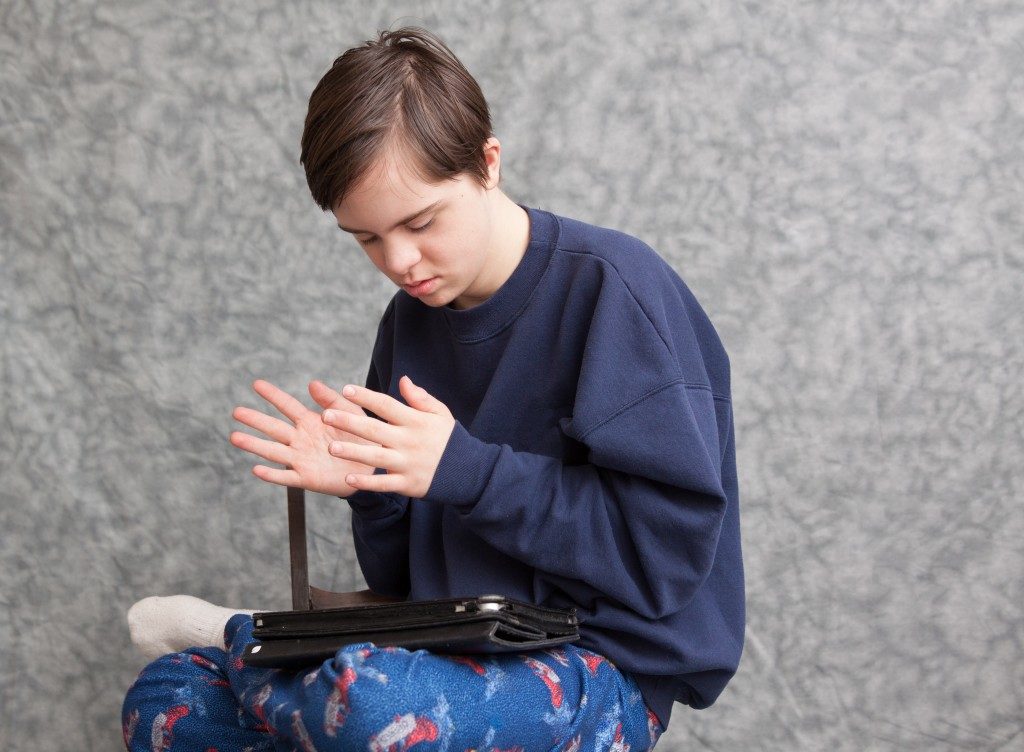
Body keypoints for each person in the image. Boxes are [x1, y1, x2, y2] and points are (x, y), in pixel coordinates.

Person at [121, 25, 744, 751]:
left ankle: (241, 637)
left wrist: (463, 469)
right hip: (446, 651)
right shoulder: (409, 324)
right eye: (368, 238)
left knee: (371, 708)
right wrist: (374, 487)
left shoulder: (612, 290)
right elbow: (403, 581)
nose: (400, 261)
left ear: (488, 163)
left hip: (603, 670)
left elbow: (663, 559)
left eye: (419, 222)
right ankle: (279, 663)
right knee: (166, 702)